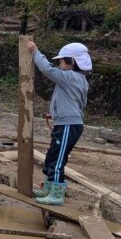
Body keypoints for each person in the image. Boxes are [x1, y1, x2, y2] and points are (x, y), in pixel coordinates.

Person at [27, 41, 90, 206]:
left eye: (62, 61)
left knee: (58, 160)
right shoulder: (78, 79)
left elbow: (47, 69)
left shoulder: (69, 77)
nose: (59, 64)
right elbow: (76, 102)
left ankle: (56, 195)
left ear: (72, 62)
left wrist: (36, 51)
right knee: (51, 157)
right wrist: (56, 114)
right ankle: (48, 189)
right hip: (66, 123)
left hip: (69, 124)